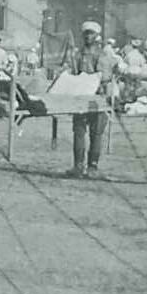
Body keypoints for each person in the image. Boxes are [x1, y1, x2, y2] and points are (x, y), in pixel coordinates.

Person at [63, 20, 115, 180]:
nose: (88, 36)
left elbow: (105, 77)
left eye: (91, 34)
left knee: (96, 133)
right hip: (81, 97)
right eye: (86, 33)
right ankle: (78, 166)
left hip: (97, 98)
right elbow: (72, 73)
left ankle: (92, 166)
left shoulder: (102, 55)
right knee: (78, 132)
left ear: (97, 36)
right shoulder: (77, 54)